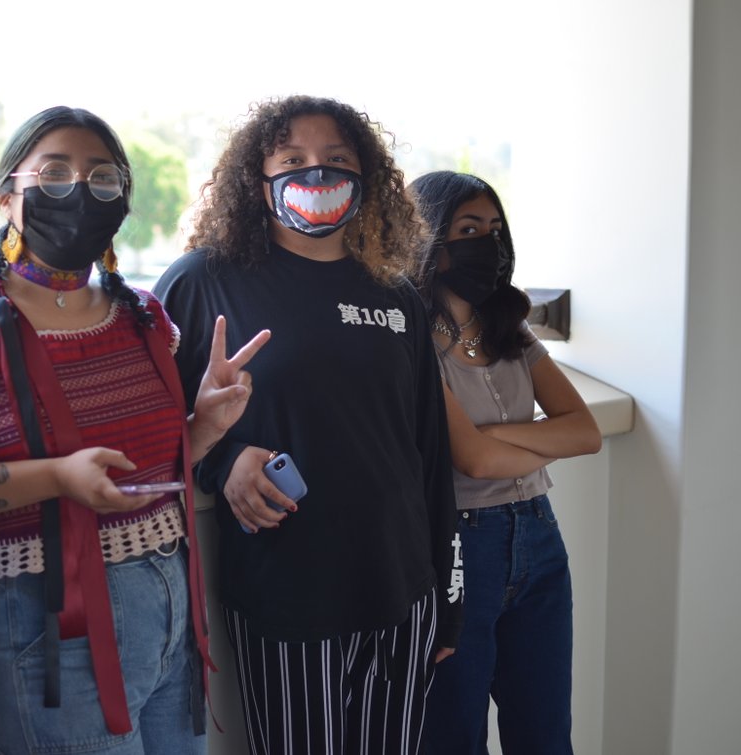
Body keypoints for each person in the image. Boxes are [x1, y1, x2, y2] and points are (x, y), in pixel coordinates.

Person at [0, 105, 267, 755]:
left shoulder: (143, 315)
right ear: (6, 196)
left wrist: (205, 425)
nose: (79, 191)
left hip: (172, 614)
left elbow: (148, 475)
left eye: (103, 180)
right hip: (56, 628)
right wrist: (56, 478)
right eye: (54, 174)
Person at [153, 95, 463, 755]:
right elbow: (156, 431)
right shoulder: (203, 282)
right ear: (255, 180)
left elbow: (429, 457)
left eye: (336, 161)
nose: (316, 175)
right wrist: (225, 459)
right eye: (293, 160)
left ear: (367, 177)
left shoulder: (396, 293)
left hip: (403, 592)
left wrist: (446, 594)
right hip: (289, 598)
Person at [408, 171, 601, 755]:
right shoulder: (411, 335)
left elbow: (586, 432)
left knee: (545, 734)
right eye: (469, 229)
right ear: (430, 241)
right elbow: (475, 461)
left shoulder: (509, 327)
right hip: (463, 547)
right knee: (455, 733)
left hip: (539, 536)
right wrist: (527, 439)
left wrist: (495, 433)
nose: (488, 243)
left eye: (495, 229)